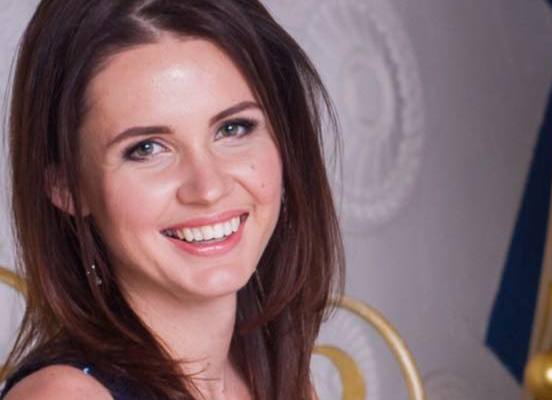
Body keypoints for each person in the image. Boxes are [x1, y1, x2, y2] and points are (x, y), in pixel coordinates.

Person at [0, 0, 344, 399]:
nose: (208, 188)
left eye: (233, 128)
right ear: (65, 185)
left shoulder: (277, 376)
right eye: (147, 148)